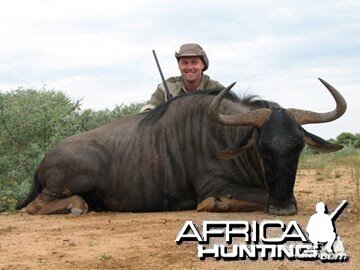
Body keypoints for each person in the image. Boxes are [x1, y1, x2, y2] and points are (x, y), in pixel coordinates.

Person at [139, 43, 224, 113]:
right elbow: (148, 109)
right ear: (179, 65)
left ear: (203, 65)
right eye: (185, 63)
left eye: (194, 62)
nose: (190, 67)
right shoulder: (167, 86)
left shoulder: (217, 90)